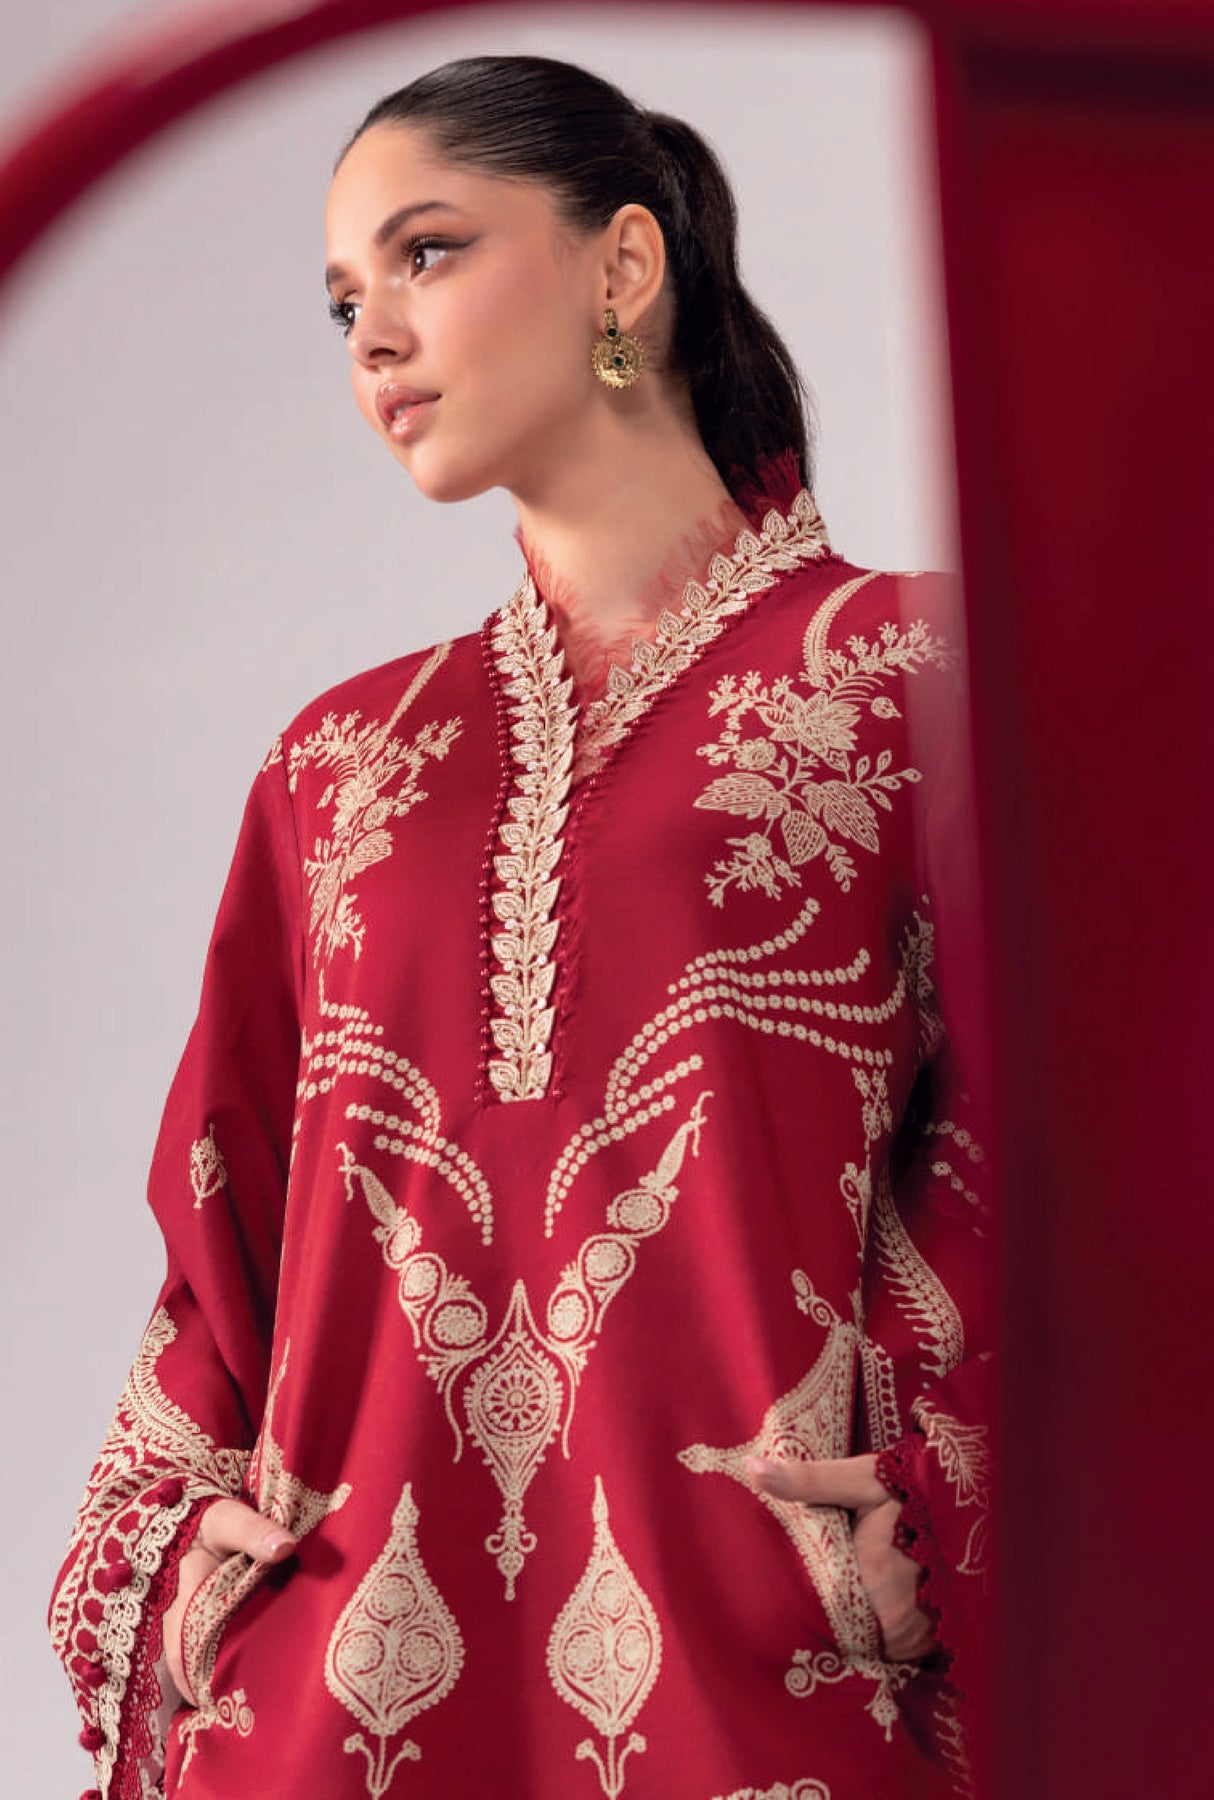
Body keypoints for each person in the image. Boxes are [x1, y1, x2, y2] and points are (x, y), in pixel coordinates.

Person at [50, 55, 992, 1800]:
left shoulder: (916, 681)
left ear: (622, 265)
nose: (373, 336)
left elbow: (1099, 1163)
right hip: (345, 1696)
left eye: (425, 253)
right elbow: (225, 1216)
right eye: (343, 298)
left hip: (772, 1678)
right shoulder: (339, 765)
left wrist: (950, 1512)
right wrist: (173, 1561)